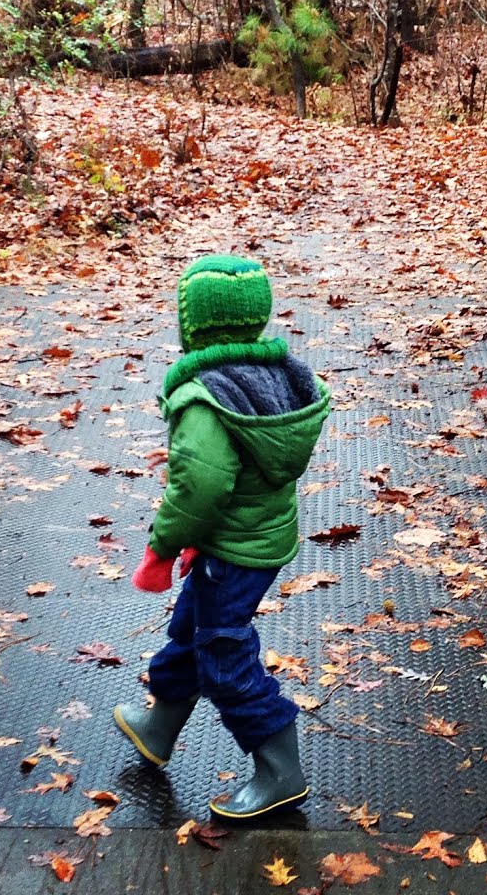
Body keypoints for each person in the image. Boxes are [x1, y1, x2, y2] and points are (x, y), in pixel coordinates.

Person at [114, 254, 331, 821]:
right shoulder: (281, 377)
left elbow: (200, 487)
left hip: (232, 549)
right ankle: (160, 725)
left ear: (195, 325)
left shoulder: (205, 397)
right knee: (194, 625)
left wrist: (164, 545)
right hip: (258, 539)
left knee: (222, 651)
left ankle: (281, 771)